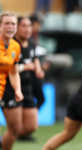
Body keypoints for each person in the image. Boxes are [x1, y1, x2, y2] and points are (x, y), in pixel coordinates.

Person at [13, 16, 45, 141]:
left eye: (29, 26)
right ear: (17, 28)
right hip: (13, 87)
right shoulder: (12, 44)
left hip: (27, 86)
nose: (27, 29)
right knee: (13, 126)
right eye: (24, 26)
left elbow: (35, 58)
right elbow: (6, 67)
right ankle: (10, 136)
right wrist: (24, 67)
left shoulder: (31, 43)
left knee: (31, 127)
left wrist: (38, 69)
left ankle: (13, 136)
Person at [0, 12, 24, 150]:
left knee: (15, 128)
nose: (10, 27)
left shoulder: (16, 46)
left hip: (6, 89)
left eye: (13, 24)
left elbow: (13, 72)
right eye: (7, 23)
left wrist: (18, 90)